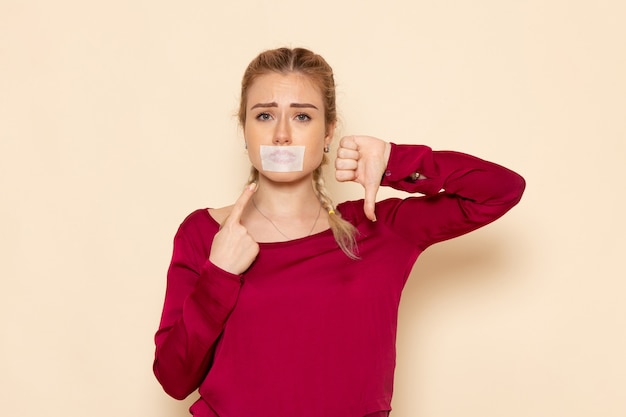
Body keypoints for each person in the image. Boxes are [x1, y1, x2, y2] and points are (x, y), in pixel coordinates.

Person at [153, 47, 525, 417]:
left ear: (329, 132)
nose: (282, 135)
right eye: (265, 115)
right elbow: (174, 379)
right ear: (244, 130)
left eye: (302, 116)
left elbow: (500, 190)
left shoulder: (379, 228)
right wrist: (218, 275)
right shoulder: (205, 234)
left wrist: (395, 160)